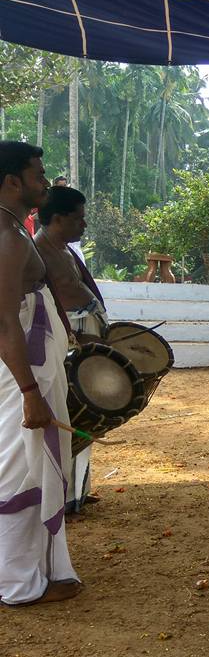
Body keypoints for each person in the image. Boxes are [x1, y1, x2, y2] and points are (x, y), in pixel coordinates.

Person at [0, 141, 81, 606]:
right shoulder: (7, 238)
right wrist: (29, 391)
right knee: (18, 471)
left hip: (28, 366)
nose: (45, 182)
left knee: (27, 464)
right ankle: (15, 585)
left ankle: (33, 571)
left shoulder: (13, 229)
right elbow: (4, 319)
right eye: (38, 174)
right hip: (20, 374)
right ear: (13, 181)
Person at [34, 186, 105, 512]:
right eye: (79, 218)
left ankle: (78, 493)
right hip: (65, 343)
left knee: (88, 414)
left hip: (85, 335)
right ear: (58, 218)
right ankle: (61, 497)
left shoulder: (64, 249)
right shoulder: (36, 253)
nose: (84, 225)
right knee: (68, 414)